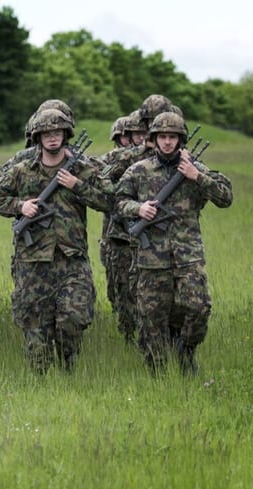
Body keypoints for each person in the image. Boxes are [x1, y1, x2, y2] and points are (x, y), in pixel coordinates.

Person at [0, 108, 113, 374]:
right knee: (34, 324)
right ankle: (41, 381)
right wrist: (20, 206)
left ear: (65, 134)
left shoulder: (81, 168)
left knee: (74, 318)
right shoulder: (23, 170)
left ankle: (67, 365)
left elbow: (109, 200)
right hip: (32, 260)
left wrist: (77, 185)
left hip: (71, 258)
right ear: (38, 137)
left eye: (57, 132)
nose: (53, 138)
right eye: (47, 133)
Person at [115, 112, 233, 374]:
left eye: (173, 137)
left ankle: (186, 351)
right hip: (150, 257)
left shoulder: (195, 167)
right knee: (150, 319)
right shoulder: (138, 171)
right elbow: (117, 201)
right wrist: (138, 208)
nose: (167, 142)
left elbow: (225, 197)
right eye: (163, 137)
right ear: (154, 139)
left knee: (199, 308)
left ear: (181, 140)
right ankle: (157, 376)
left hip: (187, 255)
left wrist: (196, 176)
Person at [98, 98, 184, 343]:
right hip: (125, 235)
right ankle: (134, 339)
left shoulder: (177, 154)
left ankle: (170, 339)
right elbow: (101, 177)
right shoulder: (130, 156)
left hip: (167, 238)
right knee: (127, 293)